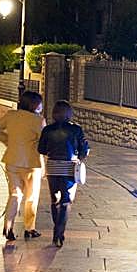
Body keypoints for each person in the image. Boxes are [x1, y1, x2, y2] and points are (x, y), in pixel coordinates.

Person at [0, 90, 45, 241]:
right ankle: (30, 228)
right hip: (31, 163)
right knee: (31, 197)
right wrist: (43, 165)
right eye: (39, 103)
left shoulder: (11, 115)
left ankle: (8, 226)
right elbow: (42, 144)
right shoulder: (38, 121)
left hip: (12, 160)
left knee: (15, 194)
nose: (41, 105)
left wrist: (8, 141)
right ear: (34, 104)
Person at [38, 100, 89, 247]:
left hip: (53, 166)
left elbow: (41, 149)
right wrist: (82, 155)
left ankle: (57, 227)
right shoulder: (76, 129)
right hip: (69, 167)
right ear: (69, 113)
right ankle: (59, 230)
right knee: (66, 200)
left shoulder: (47, 130)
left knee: (54, 198)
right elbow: (83, 149)